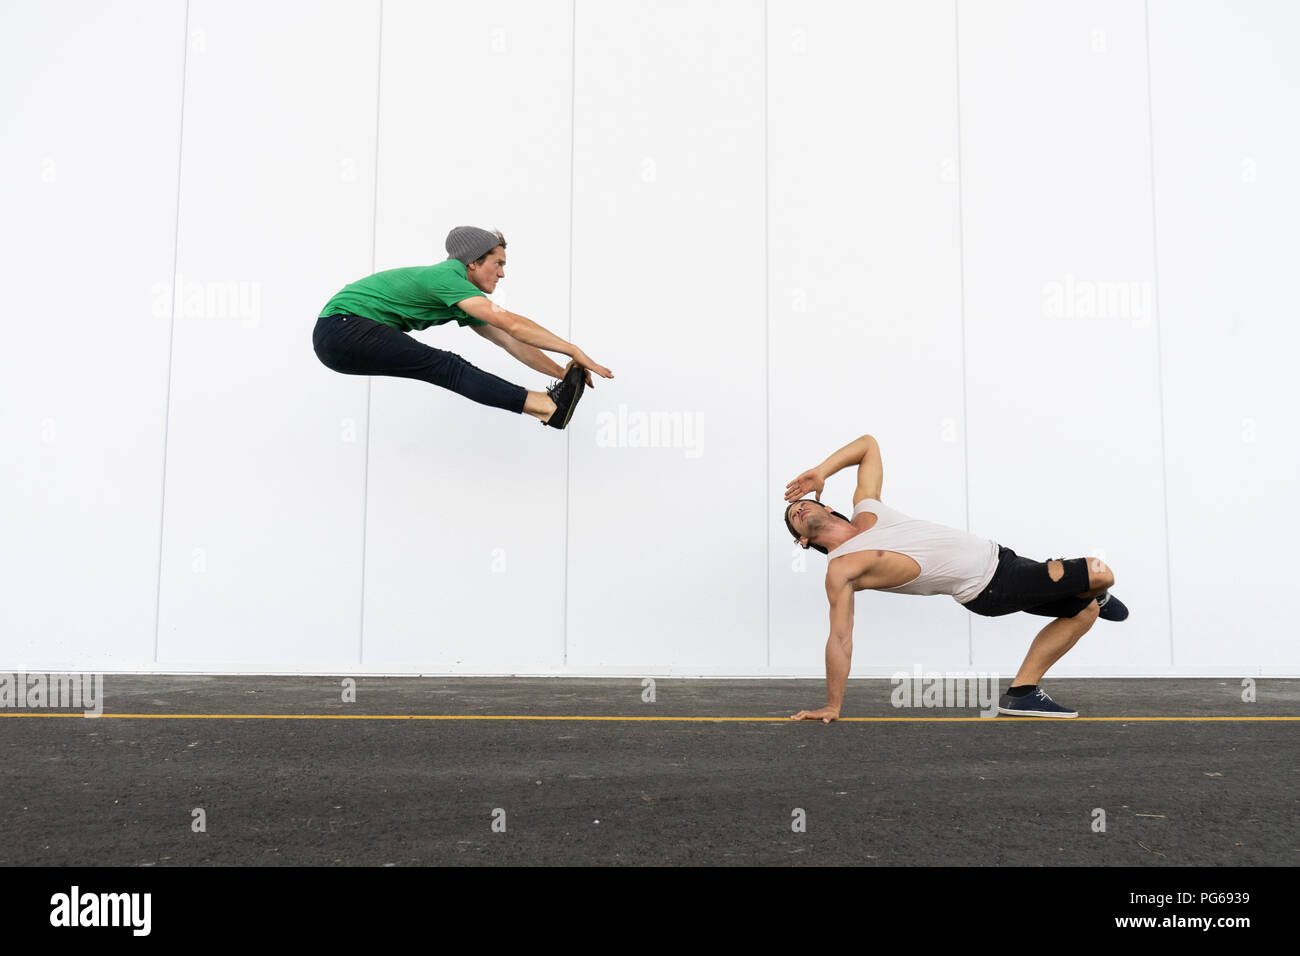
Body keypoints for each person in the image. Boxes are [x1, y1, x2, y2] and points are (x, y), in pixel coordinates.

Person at [782, 433, 1128, 721]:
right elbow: (840, 638)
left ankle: (1023, 692)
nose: (796, 509)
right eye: (792, 518)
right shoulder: (841, 568)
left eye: (799, 504)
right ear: (804, 540)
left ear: (825, 505)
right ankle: (1097, 590)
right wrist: (832, 705)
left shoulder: (866, 505)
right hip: (989, 586)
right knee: (1099, 570)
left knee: (1084, 611)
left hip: (1001, 557)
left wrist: (820, 471)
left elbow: (868, 445)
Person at [313, 226, 613, 429]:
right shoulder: (447, 278)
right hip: (342, 327)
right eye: (498, 263)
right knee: (446, 365)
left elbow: (511, 341)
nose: (502, 273)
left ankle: (547, 407)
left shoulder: (462, 297)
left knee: (445, 368)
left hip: (339, 344)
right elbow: (511, 323)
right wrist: (573, 350)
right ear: (472, 262)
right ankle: (544, 406)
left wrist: (564, 375)